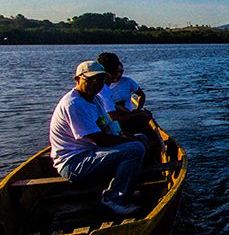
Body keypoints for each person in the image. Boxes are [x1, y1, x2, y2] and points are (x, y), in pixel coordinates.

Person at [49, 60, 146, 215]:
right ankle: (114, 199)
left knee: (141, 139)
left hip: (91, 153)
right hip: (74, 163)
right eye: (91, 79)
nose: (96, 83)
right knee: (135, 149)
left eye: (100, 79)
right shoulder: (74, 104)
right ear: (77, 79)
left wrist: (129, 137)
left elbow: (108, 127)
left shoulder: (95, 99)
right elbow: (100, 139)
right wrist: (130, 141)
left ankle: (125, 187)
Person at [96, 52, 152, 134]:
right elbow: (112, 117)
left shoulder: (126, 82)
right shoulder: (102, 90)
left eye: (121, 71)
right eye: (117, 71)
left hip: (118, 119)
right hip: (112, 124)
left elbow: (141, 94)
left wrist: (137, 110)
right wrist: (137, 113)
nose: (119, 74)